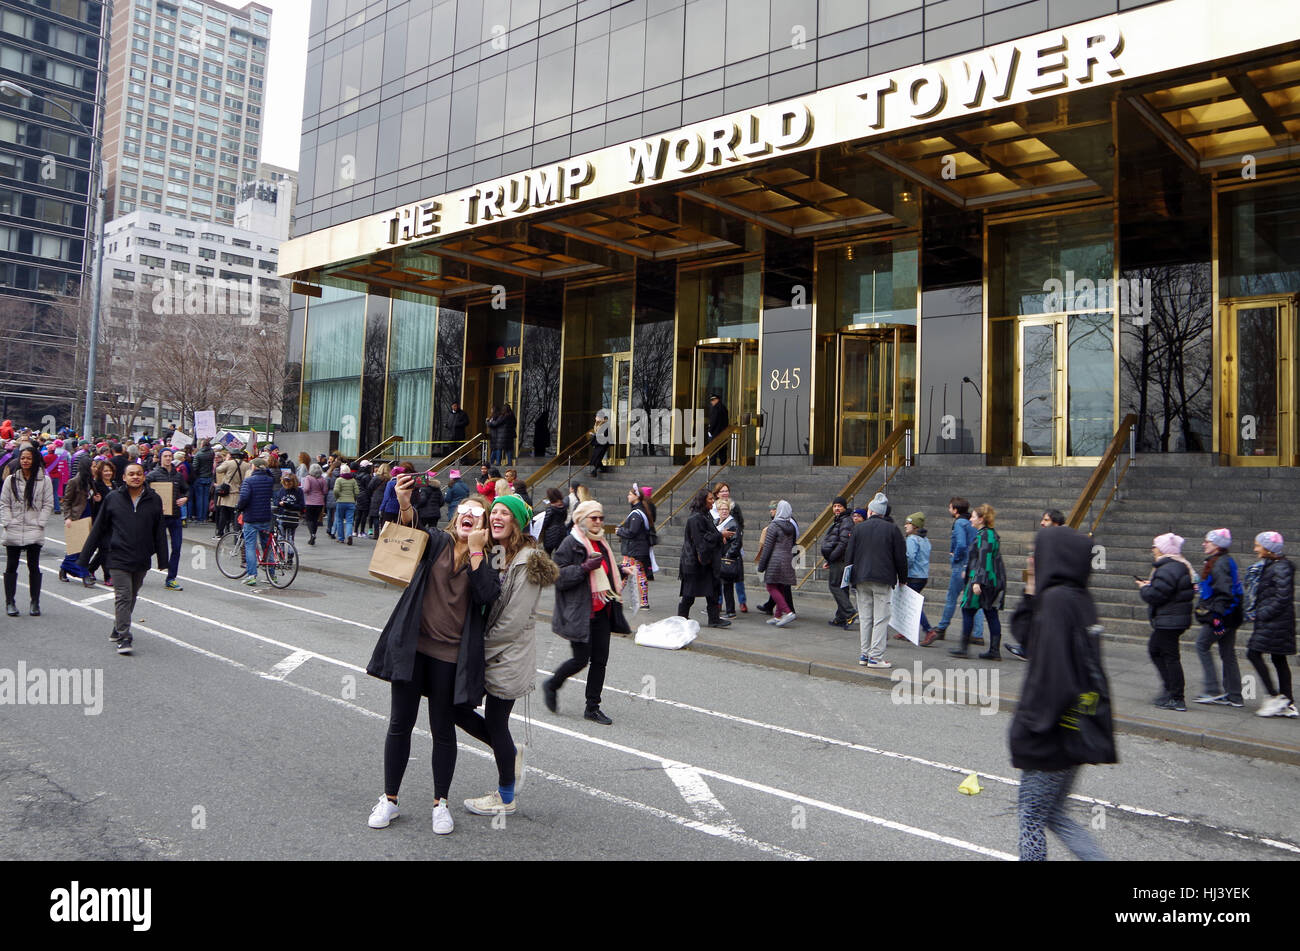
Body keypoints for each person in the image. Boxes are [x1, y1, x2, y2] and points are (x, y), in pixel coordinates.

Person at [365, 488, 500, 835]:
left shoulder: (485, 557)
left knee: (442, 729)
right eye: (465, 510)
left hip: (450, 656)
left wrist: (475, 552)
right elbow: (412, 530)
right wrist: (404, 502)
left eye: (478, 513)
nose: (469, 515)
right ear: (456, 516)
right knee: (400, 723)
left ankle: (441, 803)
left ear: (483, 524)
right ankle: (389, 799)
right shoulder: (437, 541)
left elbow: (487, 595)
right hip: (414, 648)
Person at [1009, 525, 1113, 862]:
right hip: (1074, 731)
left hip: (1050, 733)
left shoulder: (1056, 602)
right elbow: (1027, 639)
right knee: (1053, 813)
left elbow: (1053, 676)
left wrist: (1029, 728)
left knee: (1031, 817)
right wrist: (1029, 591)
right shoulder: (1075, 598)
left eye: (1035, 555)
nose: (1031, 560)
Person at [459, 494, 559, 816]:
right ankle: (510, 755)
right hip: (491, 651)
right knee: (454, 708)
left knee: (496, 723)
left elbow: (512, 621)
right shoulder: (498, 553)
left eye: (505, 513)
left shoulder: (528, 559)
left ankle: (505, 797)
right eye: (494, 512)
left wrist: (476, 651)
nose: (497, 517)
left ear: (517, 521)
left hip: (507, 655)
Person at [543, 499, 627, 724]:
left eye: (601, 517)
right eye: (594, 518)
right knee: (581, 660)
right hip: (580, 613)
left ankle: (592, 707)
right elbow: (557, 576)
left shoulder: (601, 543)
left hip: (602, 611)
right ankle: (552, 684)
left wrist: (619, 571)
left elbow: (603, 571)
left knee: (600, 661)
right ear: (581, 519)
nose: (598, 522)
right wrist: (583, 568)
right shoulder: (571, 543)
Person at [78, 462, 167, 654]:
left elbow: (159, 529)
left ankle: (117, 626)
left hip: (141, 556)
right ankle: (124, 636)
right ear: (124, 478)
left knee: (132, 595)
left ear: (144, 477)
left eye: (139, 474)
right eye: (131, 474)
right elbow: (99, 528)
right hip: (117, 556)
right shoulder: (113, 498)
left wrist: (162, 558)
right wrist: (84, 558)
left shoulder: (154, 499)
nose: (135, 477)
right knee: (123, 595)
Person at [844, 492, 908, 668]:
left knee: (865, 618)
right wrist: (903, 578)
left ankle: (864, 654)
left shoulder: (858, 528)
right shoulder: (892, 529)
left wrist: (848, 578)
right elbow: (901, 557)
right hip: (883, 578)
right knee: (881, 618)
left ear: (871, 511)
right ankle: (875, 657)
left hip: (860, 577)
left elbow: (849, 554)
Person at [1137, 532, 1195, 711]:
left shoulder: (1167, 568)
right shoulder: (1178, 566)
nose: (1152, 549)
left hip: (1169, 619)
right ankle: (1170, 689)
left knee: (1169, 656)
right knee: (1157, 650)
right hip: (1173, 618)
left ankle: (1176, 696)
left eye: (1154, 546)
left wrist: (1145, 588)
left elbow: (1156, 595)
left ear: (1162, 549)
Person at [1244, 532, 1296, 718]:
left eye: (1258, 545)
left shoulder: (1280, 567)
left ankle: (1275, 697)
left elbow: (1283, 597)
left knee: (1253, 653)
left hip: (1275, 621)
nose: (1255, 548)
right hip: (1277, 621)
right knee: (1278, 658)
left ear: (1268, 548)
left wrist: (1262, 614)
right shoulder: (1273, 565)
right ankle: (1287, 702)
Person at [1193, 529, 1244, 707]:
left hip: (1221, 618)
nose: (1203, 543)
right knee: (1227, 653)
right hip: (1230, 616)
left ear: (1216, 545)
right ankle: (1234, 695)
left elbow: (1224, 592)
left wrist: (1215, 617)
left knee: (1202, 645)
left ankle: (1212, 689)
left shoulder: (1220, 563)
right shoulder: (1223, 561)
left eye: (1207, 541)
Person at [949, 503, 1006, 661]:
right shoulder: (990, 534)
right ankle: (994, 650)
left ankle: (964, 648)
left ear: (981, 519)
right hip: (992, 580)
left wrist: (977, 581)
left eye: (973, 516)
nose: (971, 519)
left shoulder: (984, 535)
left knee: (968, 610)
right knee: (991, 613)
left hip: (983, 581)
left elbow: (984, 559)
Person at [2, 446, 54, 616]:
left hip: (34, 527)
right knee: (11, 565)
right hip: (14, 527)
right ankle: (10, 602)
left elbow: (48, 504)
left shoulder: (44, 480)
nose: (25, 461)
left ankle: (35, 602)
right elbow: (4, 503)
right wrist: (7, 522)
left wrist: (41, 522)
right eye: (23, 458)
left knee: (34, 565)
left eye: (29, 458)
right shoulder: (11, 480)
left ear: (35, 460)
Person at [925, 497, 982, 647]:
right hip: (971, 565)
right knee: (973, 600)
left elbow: (961, 544)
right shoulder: (971, 523)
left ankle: (942, 626)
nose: (949, 510)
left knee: (951, 597)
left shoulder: (959, 523)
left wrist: (954, 557)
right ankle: (978, 633)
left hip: (961, 565)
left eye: (950, 507)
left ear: (955, 510)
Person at [679, 487, 730, 628]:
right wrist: (720, 536)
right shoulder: (695, 518)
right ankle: (681, 617)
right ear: (702, 500)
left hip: (706, 561)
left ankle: (714, 619)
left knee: (713, 591)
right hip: (696, 562)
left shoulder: (705, 516)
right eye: (710, 499)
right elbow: (700, 540)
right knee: (689, 594)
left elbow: (708, 535)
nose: (713, 502)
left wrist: (719, 537)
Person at [145, 448, 189, 591]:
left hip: (175, 516)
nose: (168, 459)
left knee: (176, 548)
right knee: (151, 546)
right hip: (159, 517)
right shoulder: (153, 475)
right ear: (160, 458)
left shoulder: (177, 475)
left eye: (170, 456)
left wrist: (185, 498)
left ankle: (171, 578)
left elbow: (187, 489)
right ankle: (138, 568)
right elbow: (143, 490)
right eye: (165, 456)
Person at [236, 458, 277, 587]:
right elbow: (270, 475)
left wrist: (239, 508)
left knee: (250, 546)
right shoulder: (269, 480)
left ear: (254, 467)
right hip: (265, 517)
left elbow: (244, 498)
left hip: (251, 517)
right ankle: (272, 575)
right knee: (267, 546)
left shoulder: (248, 481)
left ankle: (251, 576)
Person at [758, 499, 800, 628]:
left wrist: (761, 566)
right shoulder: (791, 526)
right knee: (780, 586)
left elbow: (767, 547)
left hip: (775, 560)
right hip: (788, 558)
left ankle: (787, 612)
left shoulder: (773, 526)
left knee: (771, 586)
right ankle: (778, 615)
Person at [57, 456, 98, 587]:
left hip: (89, 517)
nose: (95, 468)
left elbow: (90, 498)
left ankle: (64, 568)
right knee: (77, 548)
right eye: (93, 466)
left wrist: (96, 497)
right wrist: (68, 517)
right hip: (77, 517)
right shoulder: (74, 481)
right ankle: (84, 575)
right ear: (87, 467)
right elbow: (67, 501)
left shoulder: (91, 481)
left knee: (82, 549)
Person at [616, 483, 654, 610]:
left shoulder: (636, 514)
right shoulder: (641, 511)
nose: (628, 496)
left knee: (624, 573)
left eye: (630, 494)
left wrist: (619, 531)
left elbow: (632, 532)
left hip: (633, 550)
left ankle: (615, 598)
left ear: (636, 496)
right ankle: (643, 602)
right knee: (639, 574)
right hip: (639, 549)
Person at [820, 495, 856, 628]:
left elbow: (843, 543)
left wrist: (832, 557)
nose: (836, 508)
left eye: (839, 506)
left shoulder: (846, 521)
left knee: (834, 585)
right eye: (835, 506)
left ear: (844, 508)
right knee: (842, 587)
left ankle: (849, 612)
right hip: (838, 559)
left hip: (840, 560)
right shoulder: (839, 520)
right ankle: (841, 617)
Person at [712, 481, 747, 613]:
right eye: (722, 491)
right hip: (719, 549)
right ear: (717, 494)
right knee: (720, 577)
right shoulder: (713, 508)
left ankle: (742, 601)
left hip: (732, 547)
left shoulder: (734, 507)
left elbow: (740, 524)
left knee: (734, 575)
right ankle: (719, 602)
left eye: (727, 491)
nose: (725, 493)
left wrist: (733, 537)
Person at [903, 512, 933, 641]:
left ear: (915, 526)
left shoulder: (912, 539)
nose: (905, 526)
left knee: (912, 604)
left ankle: (928, 630)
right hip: (923, 576)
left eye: (908, 523)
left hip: (913, 575)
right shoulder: (925, 540)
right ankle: (906, 630)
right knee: (908, 602)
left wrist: (902, 572)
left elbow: (909, 558)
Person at [715, 498, 743, 617]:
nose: (724, 511)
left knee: (727, 586)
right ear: (718, 510)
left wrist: (729, 555)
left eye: (726, 509)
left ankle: (730, 611)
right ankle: (715, 607)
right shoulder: (715, 521)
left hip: (726, 559)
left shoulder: (732, 524)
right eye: (722, 509)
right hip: (717, 557)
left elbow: (737, 542)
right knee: (717, 584)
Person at [214, 449, 244, 539]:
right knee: (236, 517)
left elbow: (218, 470)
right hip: (239, 493)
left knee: (223, 514)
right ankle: (237, 536)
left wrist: (226, 461)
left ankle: (220, 533)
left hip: (228, 493)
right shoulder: (246, 465)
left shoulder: (228, 463)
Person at [273, 472, 305, 546]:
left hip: (292, 519)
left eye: (289, 481)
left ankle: (290, 554)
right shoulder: (281, 490)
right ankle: (282, 554)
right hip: (282, 518)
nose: (287, 484)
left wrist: (288, 505)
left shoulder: (298, 491)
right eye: (285, 482)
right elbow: (276, 501)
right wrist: (279, 503)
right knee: (281, 537)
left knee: (290, 538)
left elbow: (301, 506)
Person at [301, 464, 328, 545]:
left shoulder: (308, 478)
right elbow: (325, 491)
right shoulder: (323, 479)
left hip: (310, 501)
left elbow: (306, 489)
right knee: (315, 519)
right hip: (320, 502)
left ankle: (312, 534)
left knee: (309, 519)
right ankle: (314, 534)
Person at [332, 463, 358, 543]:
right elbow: (357, 491)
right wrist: (353, 498)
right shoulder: (353, 480)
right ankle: (349, 535)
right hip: (351, 502)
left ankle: (341, 538)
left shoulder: (339, 480)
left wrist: (338, 497)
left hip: (341, 502)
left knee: (339, 520)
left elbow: (336, 490)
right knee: (349, 521)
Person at [191, 439, 215, 524]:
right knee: (205, 499)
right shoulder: (212, 453)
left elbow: (195, 468)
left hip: (200, 478)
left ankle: (200, 518)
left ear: (202, 445)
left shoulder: (198, 454)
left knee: (199, 499)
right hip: (208, 477)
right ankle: (204, 517)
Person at [540, 487, 568, 555]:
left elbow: (545, 522)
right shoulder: (564, 507)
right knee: (560, 553)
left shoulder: (550, 509)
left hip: (551, 533)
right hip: (562, 530)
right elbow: (565, 518)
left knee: (547, 553)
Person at [706, 393, 729, 465]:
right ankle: (723, 464)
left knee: (713, 450)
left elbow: (713, 420)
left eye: (713, 400)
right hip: (723, 432)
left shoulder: (715, 408)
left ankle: (712, 466)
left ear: (717, 400)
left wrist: (710, 430)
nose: (711, 402)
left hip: (715, 433)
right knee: (722, 450)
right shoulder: (724, 408)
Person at [588, 411, 611, 478]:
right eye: (596, 417)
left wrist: (595, 435)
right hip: (598, 444)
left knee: (598, 457)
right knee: (594, 458)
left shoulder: (605, 425)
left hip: (603, 444)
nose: (596, 418)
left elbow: (605, 435)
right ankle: (603, 469)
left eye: (597, 417)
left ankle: (594, 471)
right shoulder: (596, 425)